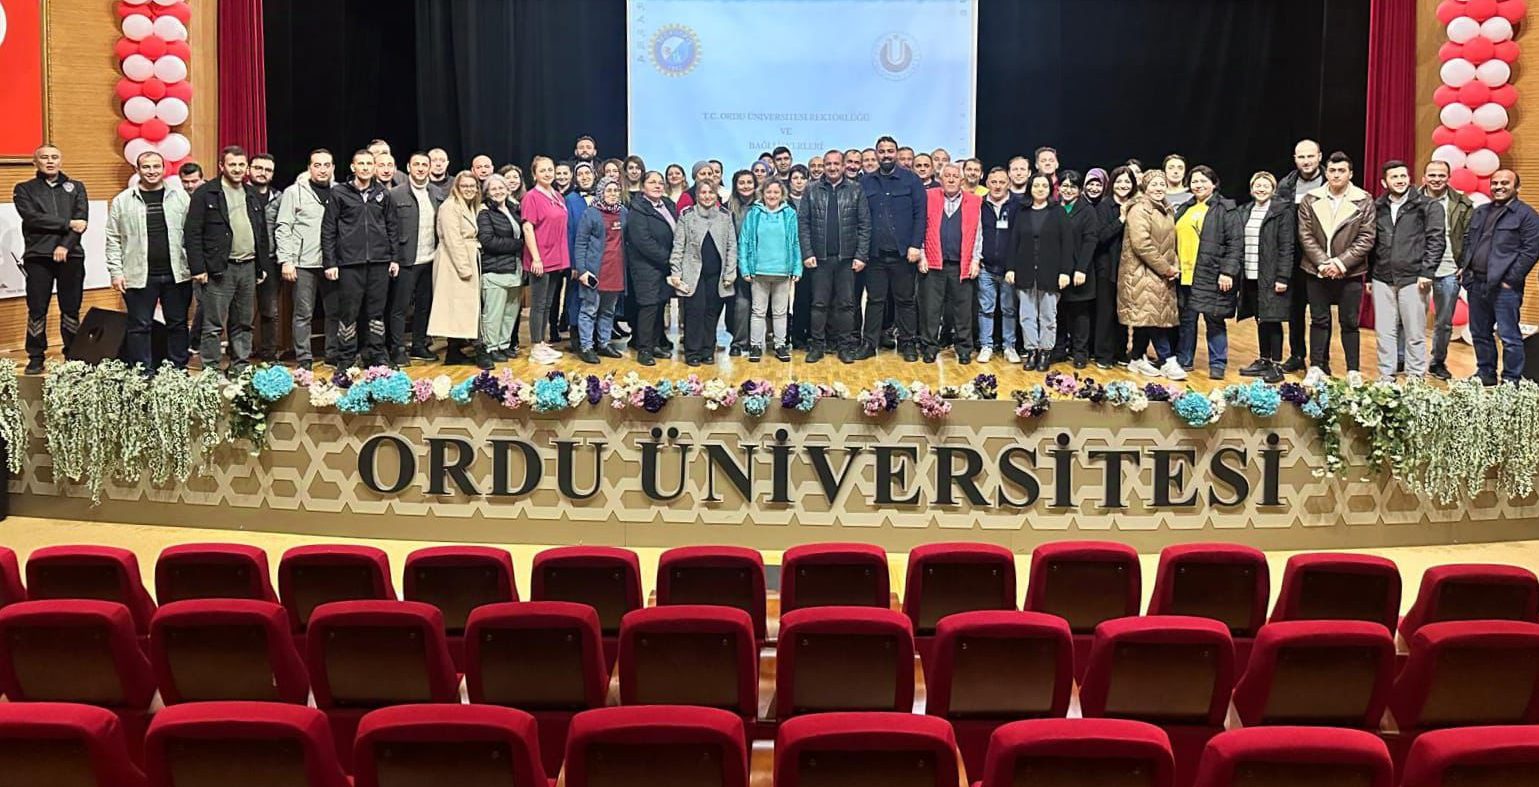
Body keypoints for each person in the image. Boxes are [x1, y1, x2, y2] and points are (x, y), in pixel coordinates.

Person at [185, 146, 269, 373]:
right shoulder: (206, 193)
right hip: (219, 269)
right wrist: (198, 268)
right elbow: (192, 233)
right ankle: (211, 369)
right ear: (222, 166)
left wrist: (261, 266)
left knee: (243, 323)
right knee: (213, 324)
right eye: (233, 165)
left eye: (242, 165)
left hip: (248, 266)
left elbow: (260, 232)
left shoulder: (252, 194)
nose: (238, 169)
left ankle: (239, 367)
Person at [106, 151, 191, 371]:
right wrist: (116, 272)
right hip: (138, 274)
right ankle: (142, 372)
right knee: (139, 326)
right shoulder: (122, 201)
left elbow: (192, 235)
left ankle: (177, 370)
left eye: (156, 167)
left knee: (178, 324)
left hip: (177, 273)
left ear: (164, 169)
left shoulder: (181, 197)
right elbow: (113, 238)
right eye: (146, 167)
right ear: (137, 170)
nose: (152, 171)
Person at [1297, 151, 1376, 376]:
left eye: (1342, 171)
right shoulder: (1310, 198)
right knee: (1319, 320)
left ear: (1350, 174)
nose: (1336, 175)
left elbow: (1366, 237)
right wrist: (1323, 263)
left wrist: (1341, 263)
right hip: (1316, 270)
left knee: (1350, 323)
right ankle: (1316, 367)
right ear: (1326, 172)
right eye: (1332, 170)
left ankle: (1353, 371)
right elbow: (1305, 235)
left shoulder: (1364, 200)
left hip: (1350, 273)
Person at [12, 144, 88, 374]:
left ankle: (73, 354)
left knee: (71, 308)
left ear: (61, 160)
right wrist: (66, 224)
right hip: (38, 257)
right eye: (44, 157)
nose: (50, 161)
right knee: (37, 309)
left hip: (71, 255)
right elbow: (32, 218)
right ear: (35, 162)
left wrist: (64, 245)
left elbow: (81, 222)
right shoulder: (24, 189)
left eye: (54, 157)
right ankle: (36, 356)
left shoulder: (76, 187)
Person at [320, 149, 399, 369]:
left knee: (376, 312)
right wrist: (331, 262)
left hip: (379, 262)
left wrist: (394, 258)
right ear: (353, 167)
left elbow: (392, 227)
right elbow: (328, 229)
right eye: (360, 164)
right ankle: (346, 358)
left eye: (369, 164)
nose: (365, 167)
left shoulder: (383, 194)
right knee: (349, 312)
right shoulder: (339, 193)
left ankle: (378, 355)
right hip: (349, 264)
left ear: (374, 167)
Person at [1368, 160, 1445, 380]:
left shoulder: (1428, 206)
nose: (1400, 180)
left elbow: (1436, 241)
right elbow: (1372, 244)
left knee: (1415, 332)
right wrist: (1369, 276)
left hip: (1414, 278)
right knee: (1385, 331)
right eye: (1394, 177)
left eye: (1403, 176)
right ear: (1385, 182)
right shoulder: (1377, 207)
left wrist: (1427, 272)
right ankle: (1386, 376)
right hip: (1382, 277)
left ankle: (1415, 377)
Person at [1461, 169, 1539, 385]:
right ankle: (1485, 374)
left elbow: (1531, 250)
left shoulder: (1527, 215)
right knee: (1480, 333)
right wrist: (1466, 271)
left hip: (1505, 288)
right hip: (1476, 283)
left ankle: (1511, 379)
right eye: (1495, 183)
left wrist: (1510, 279)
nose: (1499, 186)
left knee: (1509, 336)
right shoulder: (1481, 212)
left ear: (1517, 188)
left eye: (1505, 183)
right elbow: (1468, 241)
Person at [798, 149, 871, 364]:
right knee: (819, 304)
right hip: (819, 259)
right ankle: (817, 346)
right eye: (828, 164)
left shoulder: (856, 189)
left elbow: (865, 225)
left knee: (847, 305)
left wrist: (861, 255)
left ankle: (845, 346)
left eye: (836, 164)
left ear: (843, 166)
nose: (831, 167)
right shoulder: (811, 190)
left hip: (847, 259)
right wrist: (807, 252)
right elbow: (803, 224)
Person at [860, 136, 927, 360]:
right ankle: (869, 343)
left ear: (896, 154)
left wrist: (916, 245)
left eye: (890, 151)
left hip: (903, 254)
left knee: (905, 300)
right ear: (876, 154)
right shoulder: (866, 182)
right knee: (875, 301)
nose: (886, 155)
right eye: (882, 151)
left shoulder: (911, 180)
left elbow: (920, 216)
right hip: (875, 254)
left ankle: (907, 344)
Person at [1173, 165, 1241, 379]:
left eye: (1203, 181)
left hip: (1212, 274)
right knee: (1187, 321)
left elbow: (1235, 244)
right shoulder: (1185, 208)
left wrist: (1228, 272)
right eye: (1194, 181)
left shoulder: (1225, 209)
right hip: (1185, 274)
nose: (1198, 185)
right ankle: (1184, 360)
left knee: (1214, 319)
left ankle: (1218, 364)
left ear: (1213, 183)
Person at [1119, 171, 1184, 379]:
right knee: (1153, 318)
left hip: (1160, 273)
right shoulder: (1139, 209)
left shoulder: (1166, 209)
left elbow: (1171, 243)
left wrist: (1173, 266)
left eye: (1162, 184)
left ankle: (1137, 358)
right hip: (1142, 274)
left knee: (1146, 318)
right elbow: (1142, 245)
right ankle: (1167, 360)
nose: (1158, 188)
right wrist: (1166, 268)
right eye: (1154, 184)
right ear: (1145, 187)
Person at [275, 148, 336, 370]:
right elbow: (283, 227)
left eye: (326, 165)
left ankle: (332, 354)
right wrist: (287, 260)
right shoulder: (294, 192)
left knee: (335, 312)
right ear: (309, 168)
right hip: (303, 263)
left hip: (332, 263)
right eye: (317, 165)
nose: (322, 169)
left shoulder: (340, 192)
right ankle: (304, 358)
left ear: (333, 168)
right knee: (303, 313)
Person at [668, 179, 737, 366]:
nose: (707, 196)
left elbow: (732, 246)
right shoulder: (687, 215)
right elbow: (678, 245)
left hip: (717, 275)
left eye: (711, 193)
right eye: (703, 193)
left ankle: (708, 351)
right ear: (697, 195)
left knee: (711, 313)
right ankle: (693, 352)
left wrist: (730, 272)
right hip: (693, 275)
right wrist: (676, 271)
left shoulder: (725, 216)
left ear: (716, 195)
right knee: (694, 313)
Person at [918, 163, 982, 363]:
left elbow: (979, 233)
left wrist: (975, 260)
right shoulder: (929, 197)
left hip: (961, 265)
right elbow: (920, 227)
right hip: (933, 264)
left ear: (962, 180)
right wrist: (921, 255)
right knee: (931, 309)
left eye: (956, 176)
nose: (952, 179)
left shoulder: (974, 201)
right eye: (948, 176)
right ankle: (929, 346)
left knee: (963, 310)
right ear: (941, 178)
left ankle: (963, 347)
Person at [1008, 174, 1072, 371]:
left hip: (1051, 273)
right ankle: (1031, 351)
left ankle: (1045, 352)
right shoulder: (1022, 212)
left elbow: (1067, 244)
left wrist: (1065, 272)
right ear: (1030, 188)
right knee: (1026, 315)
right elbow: (1013, 242)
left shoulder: (1058, 212)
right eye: (1036, 185)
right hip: (1025, 271)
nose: (1040, 188)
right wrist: (1010, 268)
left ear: (1050, 189)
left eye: (1044, 185)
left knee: (1048, 315)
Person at [1236, 171, 1296, 383]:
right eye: (1257, 185)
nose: (1261, 189)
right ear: (1252, 188)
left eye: (1265, 185)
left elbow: (1287, 247)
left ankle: (1276, 365)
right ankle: (1264, 359)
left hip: (1271, 277)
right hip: (1251, 275)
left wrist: (1283, 277)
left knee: (1273, 319)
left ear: (1273, 189)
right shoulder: (1245, 211)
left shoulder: (1281, 211)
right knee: (1261, 318)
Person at [387, 151, 445, 365]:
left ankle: (419, 345)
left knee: (424, 305)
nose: (421, 168)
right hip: (405, 260)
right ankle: (398, 348)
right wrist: (393, 258)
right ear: (409, 168)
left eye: (424, 165)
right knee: (400, 307)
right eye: (416, 164)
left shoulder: (437, 193)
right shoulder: (396, 194)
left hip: (430, 260)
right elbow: (389, 229)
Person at [1422, 159, 1475, 380]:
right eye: (1432, 175)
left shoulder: (1463, 203)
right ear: (1424, 177)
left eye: (1441, 175)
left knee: (1444, 322)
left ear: (1448, 177)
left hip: (1449, 268)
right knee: (1410, 319)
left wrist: (1464, 264)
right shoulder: (1411, 200)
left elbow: (1469, 237)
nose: (1436, 179)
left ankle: (1437, 362)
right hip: (1417, 268)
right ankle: (1402, 359)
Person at [738, 179, 801, 362]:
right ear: (762, 194)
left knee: (780, 312)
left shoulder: (789, 214)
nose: (772, 196)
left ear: (782, 195)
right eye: (769, 192)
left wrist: (797, 267)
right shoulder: (753, 214)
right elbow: (745, 241)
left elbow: (795, 242)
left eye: (776, 192)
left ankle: (780, 345)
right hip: (759, 272)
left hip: (783, 272)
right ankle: (755, 346)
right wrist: (745, 267)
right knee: (758, 311)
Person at [1275, 139, 1324, 372]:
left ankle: (1320, 360)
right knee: (1295, 311)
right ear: (1295, 159)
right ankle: (1297, 355)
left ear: (1319, 157)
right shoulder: (1285, 185)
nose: (1306, 161)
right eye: (1301, 157)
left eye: (1310, 156)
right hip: (1293, 258)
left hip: (1322, 257)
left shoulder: (1330, 182)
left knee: (1320, 312)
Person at [519, 156, 571, 365]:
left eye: (551, 169)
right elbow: (528, 227)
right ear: (534, 174)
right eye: (543, 171)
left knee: (549, 304)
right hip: (541, 258)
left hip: (557, 257)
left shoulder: (558, 195)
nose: (548, 173)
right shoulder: (531, 197)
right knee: (538, 304)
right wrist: (536, 258)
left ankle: (542, 343)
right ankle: (535, 345)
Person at [574, 177, 629, 364]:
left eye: (616, 190)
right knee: (589, 310)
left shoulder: (623, 212)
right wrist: (581, 270)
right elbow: (580, 243)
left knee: (608, 311)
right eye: (609, 190)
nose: (613, 194)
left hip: (616, 272)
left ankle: (604, 343)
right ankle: (587, 346)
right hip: (595, 272)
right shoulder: (591, 213)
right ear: (601, 193)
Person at [429, 172, 482, 365]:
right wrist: (464, 268)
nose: (469, 189)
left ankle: (456, 349)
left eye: (472, 186)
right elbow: (453, 240)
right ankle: (453, 351)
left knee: (462, 307)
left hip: (467, 256)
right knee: (456, 306)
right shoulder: (449, 207)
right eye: (464, 186)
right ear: (456, 188)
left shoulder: (470, 206)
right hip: (453, 263)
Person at [625, 170, 677, 365]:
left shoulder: (668, 205)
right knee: (648, 307)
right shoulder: (638, 209)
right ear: (643, 186)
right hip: (645, 266)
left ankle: (655, 344)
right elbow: (642, 241)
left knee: (660, 304)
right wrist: (668, 258)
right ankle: (644, 350)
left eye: (660, 182)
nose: (657, 186)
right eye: (652, 182)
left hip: (665, 266)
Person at [475, 174, 524, 369]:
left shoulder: (514, 209)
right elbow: (488, 241)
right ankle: (490, 347)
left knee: (510, 312)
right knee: (493, 313)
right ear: (487, 192)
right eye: (493, 189)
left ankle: (503, 345)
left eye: (501, 187)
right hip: (495, 270)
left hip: (515, 269)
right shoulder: (485, 213)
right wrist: (519, 244)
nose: (498, 191)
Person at [1092, 166, 1137, 369]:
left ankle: (1121, 352)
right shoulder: (1104, 206)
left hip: (1130, 268)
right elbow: (1100, 237)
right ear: (1112, 184)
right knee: (1105, 311)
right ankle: (1103, 354)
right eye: (1119, 181)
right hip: (1106, 267)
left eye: (1127, 182)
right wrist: (1121, 219)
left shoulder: (1137, 206)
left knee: (1124, 312)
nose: (1123, 185)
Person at [1056, 170, 1101, 368]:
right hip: (1056, 270)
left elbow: (1091, 240)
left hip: (1079, 271)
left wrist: (1081, 269)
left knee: (1080, 313)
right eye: (1064, 186)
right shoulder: (1053, 207)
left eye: (1072, 187)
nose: (1068, 190)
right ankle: (1058, 349)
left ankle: (1080, 352)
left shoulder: (1087, 210)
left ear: (1079, 190)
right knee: (1058, 311)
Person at [978, 167, 1020, 365]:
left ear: (1008, 183)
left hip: (1009, 269)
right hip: (985, 267)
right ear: (987, 183)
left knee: (1009, 309)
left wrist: (1014, 266)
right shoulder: (979, 204)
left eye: (1001, 182)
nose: (997, 186)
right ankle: (986, 345)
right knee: (986, 308)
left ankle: (1009, 346)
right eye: (993, 182)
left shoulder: (1018, 206)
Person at [248, 153, 282, 362]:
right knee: (241, 311)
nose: (263, 173)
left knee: (270, 309)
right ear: (248, 170)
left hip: (269, 259)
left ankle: (269, 354)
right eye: (258, 168)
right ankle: (239, 354)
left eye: (267, 169)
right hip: (243, 258)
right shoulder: (238, 195)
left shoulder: (279, 198)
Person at [726, 170, 759, 356]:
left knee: (761, 305)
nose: (746, 186)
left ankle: (757, 342)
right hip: (737, 261)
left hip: (762, 262)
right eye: (741, 183)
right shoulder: (728, 208)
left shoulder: (763, 206)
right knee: (741, 302)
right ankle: (739, 342)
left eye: (749, 182)